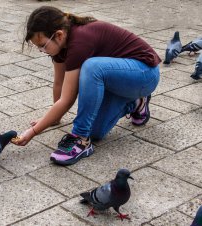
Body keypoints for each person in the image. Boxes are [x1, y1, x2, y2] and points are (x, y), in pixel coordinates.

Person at [12, 6, 161, 166]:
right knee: (95, 132)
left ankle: (81, 140)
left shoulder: (80, 40)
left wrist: (33, 132)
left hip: (145, 74)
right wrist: (55, 119)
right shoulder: (62, 46)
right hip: (120, 80)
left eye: (43, 45)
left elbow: (67, 99)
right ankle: (135, 103)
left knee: (92, 67)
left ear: (59, 35)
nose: (41, 50)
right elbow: (59, 84)